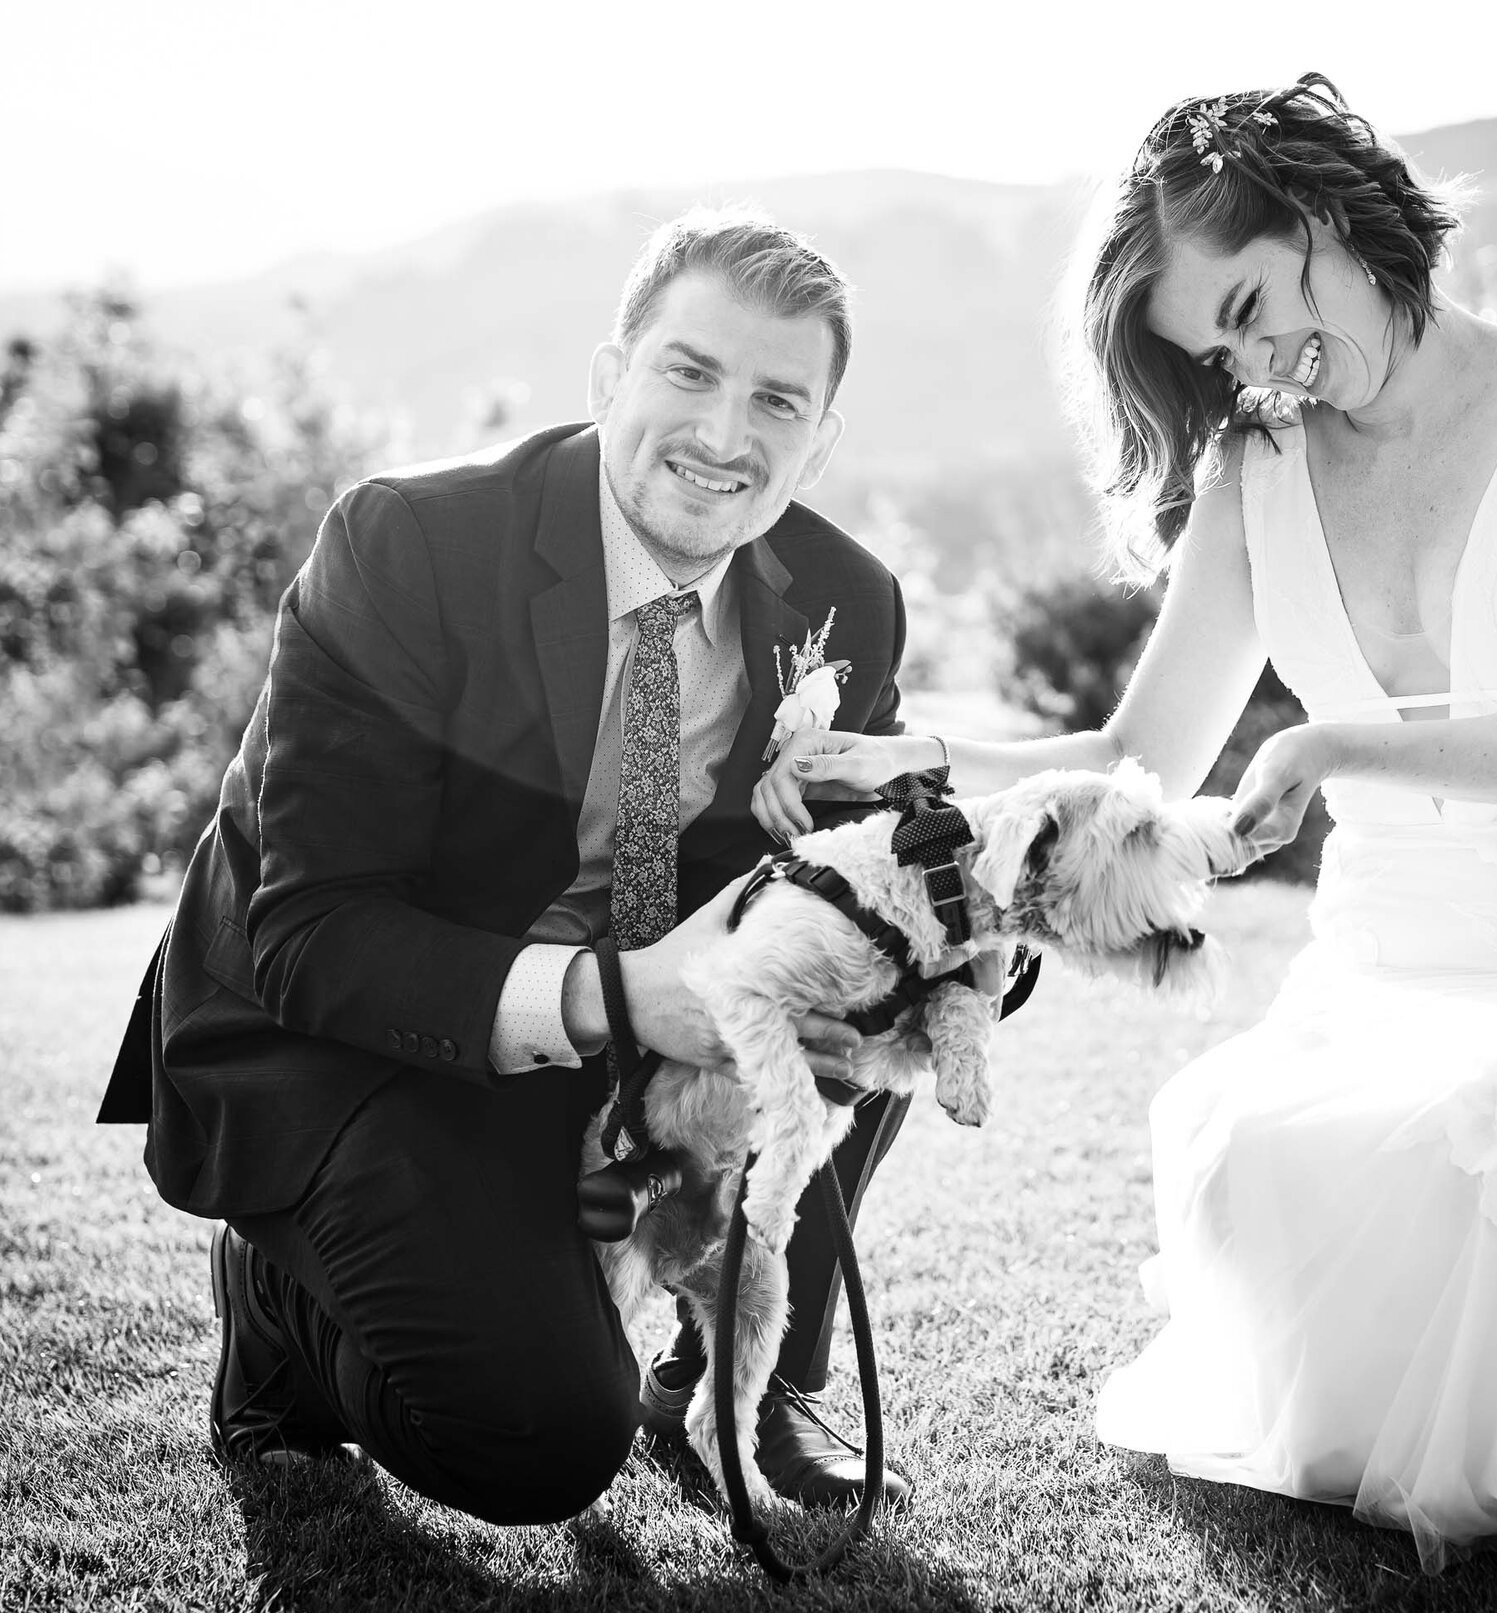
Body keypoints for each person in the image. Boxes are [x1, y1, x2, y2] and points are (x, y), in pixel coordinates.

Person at [759, 75, 1497, 1566]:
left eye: (1259, 302)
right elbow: (1137, 750)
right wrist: (902, 753)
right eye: (1223, 348)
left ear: (1332, 209)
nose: (1264, 360)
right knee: (1250, 1144)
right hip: (1390, 982)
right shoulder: (1256, 468)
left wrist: (1331, 744)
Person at [97, 209, 925, 1525]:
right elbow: (312, 933)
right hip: (343, 1034)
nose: (726, 436)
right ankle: (277, 1302)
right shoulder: (407, 546)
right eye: (691, 373)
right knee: (538, 1442)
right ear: (609, 380)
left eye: (777, 400)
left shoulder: (848, 603)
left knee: (886, 978)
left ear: (817, 441)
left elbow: (827, 908)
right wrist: (613, 999)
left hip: (604, 1045)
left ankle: (741, 1383)